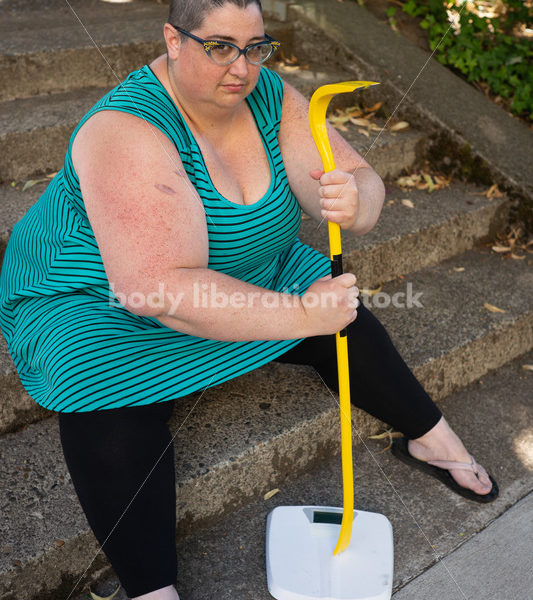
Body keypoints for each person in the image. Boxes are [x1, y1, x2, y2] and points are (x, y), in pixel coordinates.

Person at [0, 0, 498, 598]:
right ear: (174, 39)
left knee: (344, 315)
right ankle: (152, 588)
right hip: (102, 294)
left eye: (256, 46)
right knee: (106, 395)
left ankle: (429, 437)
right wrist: (301, 314)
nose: (241, 67)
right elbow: (156, 288)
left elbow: (359, 179)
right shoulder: (125, 131)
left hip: (243, 268)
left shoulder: (267, 94)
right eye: (220, 46)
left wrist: (357, 199)